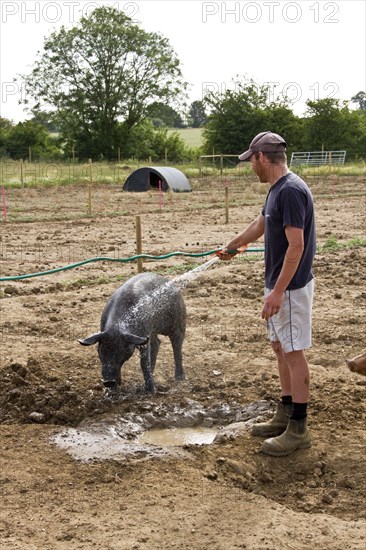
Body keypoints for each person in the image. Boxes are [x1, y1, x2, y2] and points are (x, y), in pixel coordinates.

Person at [218, 131, 316, 457]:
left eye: (252, 161)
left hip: (289, 288)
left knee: (293, 351)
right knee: (280, 346)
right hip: (278, 286)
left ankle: (299, 429)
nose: (251, 168)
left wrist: (277, 292)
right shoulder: (276, 190)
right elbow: (260, 224)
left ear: (262, 158)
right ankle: (286, 412)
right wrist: (233, 246)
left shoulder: (290, 192)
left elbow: (297, 246)